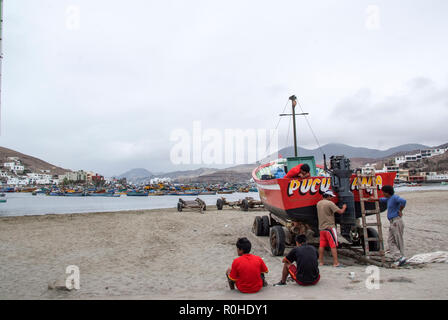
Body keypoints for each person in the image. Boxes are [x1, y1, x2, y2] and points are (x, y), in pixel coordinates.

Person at [317, 190, 347, 267]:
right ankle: (336, 263)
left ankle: (321, 262)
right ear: (328, 196)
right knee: (333, 245)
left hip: (321, 228)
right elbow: (340, 212)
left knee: (321, 245)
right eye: (331, 196)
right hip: (330, 227)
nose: (331, 198)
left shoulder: (318, 203)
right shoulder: (330, 203)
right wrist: (344, 207)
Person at [380, 185, 407, 266]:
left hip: (396, 221)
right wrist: (372, 199)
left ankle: (400, 257)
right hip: (392, 222)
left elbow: (404, 201)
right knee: (390, 241)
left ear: (387, 193)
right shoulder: (389, 199)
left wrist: (400, 210)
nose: (383, 194)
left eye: (384, 192)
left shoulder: (394, 198)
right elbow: (381, 199)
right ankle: (398, 257)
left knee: (398, 240)